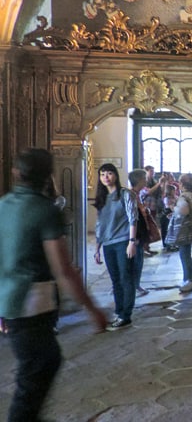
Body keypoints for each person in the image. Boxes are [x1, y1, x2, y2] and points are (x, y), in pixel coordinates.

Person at [0, 148, 107, 422]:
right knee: (37, 370)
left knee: (40, 365)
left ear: (17, 173)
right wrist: (92, 309)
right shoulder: (44, 210)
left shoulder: (4, 204)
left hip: (9, 301)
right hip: (31, 302)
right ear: (49, 175)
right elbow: (63, 269)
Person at [93, 162, 138, 329]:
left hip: (123, 241)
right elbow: (101, 225)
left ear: (116, 176)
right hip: (108, 243)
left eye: (109, 173)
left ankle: (126, 314)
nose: (106, 177)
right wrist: (97, 248)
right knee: (115, 279)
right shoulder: (102, 198)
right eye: (102, 174)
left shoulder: (125, 194)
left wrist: (131, 242)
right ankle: (119, 312)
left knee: (126, 277)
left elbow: (133, 218)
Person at [166, 173, 192, 293]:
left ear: (182, 184)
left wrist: (173, 208)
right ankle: (187, 279)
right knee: (185, 254)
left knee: (184, 255)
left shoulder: (184, 196)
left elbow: (183, 210)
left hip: (185, 229)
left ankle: (190, 280)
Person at [128, 168, 150, 298]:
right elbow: (132, 218)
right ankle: (134, 285)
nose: (146, 181)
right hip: (135, 236)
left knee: (138, 261)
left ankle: (135, 284)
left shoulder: (137, 194)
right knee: (135, 262)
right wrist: (134, 237)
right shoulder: (131, 195)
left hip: (139, 235)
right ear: (139, 180)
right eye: (145, 179)